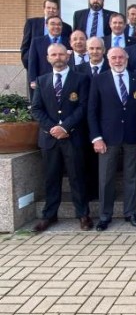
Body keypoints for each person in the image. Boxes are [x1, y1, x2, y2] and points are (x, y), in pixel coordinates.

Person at [30, 43, 92, 232]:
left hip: (72, 137)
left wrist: (65, 126)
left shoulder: (81, 79)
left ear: (68, 56)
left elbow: (83, 106)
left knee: (77, 177)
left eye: (61, 54)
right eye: (54, 54)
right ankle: (50, 215)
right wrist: (53, 128)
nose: (58, 57)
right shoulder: (42, 81)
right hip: (50, 139)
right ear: (48, 58)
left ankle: (83, 214)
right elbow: (36, 109)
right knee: (51, 177)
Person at [88, 46, 136, 231]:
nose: (118, 61)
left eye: (121, 57)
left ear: (127, 59)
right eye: (114, 58)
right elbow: (92, 111)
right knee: (106, 178)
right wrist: (96, 137)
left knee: (131, 177)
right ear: (108, 60)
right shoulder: (99, 80)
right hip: (107, 138)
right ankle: (105, 216)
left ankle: (130, 213)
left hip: (133, 136)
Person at [77, 37, 108, 201]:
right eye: (92, 48)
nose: (95, 51)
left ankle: (101, 191)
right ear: (86, 50)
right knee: (85, 158)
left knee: (102, 159)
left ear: (103, 50)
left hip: (105, 120)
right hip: (83, 122)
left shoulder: (112, 66)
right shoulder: (78, 69)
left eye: (98, 48)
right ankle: (88, 191)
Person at [21, 0, 72, 70]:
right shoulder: (32, 23)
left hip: (60, 66)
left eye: (54, 8)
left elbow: (69, 46)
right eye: (48, 8)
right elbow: (25, 46)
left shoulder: (66, 27)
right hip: (38, 67)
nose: (51, 10)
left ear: (57, 11)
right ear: (44, 9)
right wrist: (28, 64)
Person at [28, 15, 70, 93]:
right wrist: (33, 80)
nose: (56, 26)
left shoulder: (69, 42)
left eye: (59, 24)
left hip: (65, 80)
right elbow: (32, 62)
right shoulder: (37, 41)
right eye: (53, 24)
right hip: (44, 81)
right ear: (46, 25)